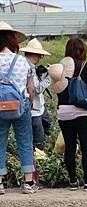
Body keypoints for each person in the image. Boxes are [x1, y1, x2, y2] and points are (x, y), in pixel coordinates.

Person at [54, 37, 87, 191]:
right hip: (81, 113)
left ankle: (73, 182)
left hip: (63, 113)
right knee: (86, 147)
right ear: (82, 51)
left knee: (70, 146)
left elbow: (58, 90)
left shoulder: (59, 68)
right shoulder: (84, 66)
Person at [0, 22, 37, 195]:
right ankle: (28, 182)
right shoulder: (23, 61)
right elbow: (31, 89)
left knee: (0, 143)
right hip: (21, 106)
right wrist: (29, 102)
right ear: (12, 39)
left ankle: (0, 183)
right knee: (24, 142)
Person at [21, 38, 51, 150]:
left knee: (46, 123)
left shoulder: (24, 65)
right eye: (40, 55)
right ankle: (38, 155)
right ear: (35, 54)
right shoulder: (30, 69)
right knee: (39, 138)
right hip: (34, 110)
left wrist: (42, 74)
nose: (40, 58)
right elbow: (37, 89)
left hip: (38, 107)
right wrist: (50, 77)